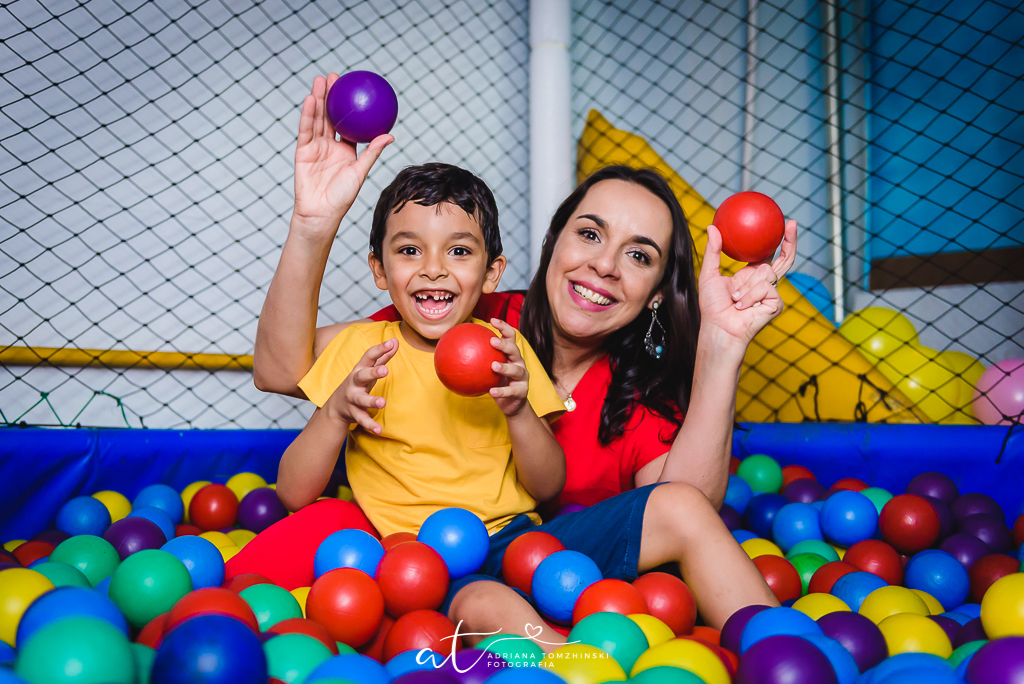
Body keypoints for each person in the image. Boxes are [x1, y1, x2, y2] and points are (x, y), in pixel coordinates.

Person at [240, 74, 798, 637]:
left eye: (638, 255)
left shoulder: (641, 390)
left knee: (665, 518)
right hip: (435, 567)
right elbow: (280, 369)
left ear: (657, 290)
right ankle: (576, 670)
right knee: (485, 605)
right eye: (590, 234)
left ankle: (785, 651)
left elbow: (690, 506)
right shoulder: (462, 313)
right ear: (553, 243)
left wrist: (721, 346)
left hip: (539, 551)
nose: (605, 265)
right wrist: (313, 225)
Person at [276, 160, 567, 540]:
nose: (433, 269)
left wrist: (519, 412)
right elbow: (293, 494)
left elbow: (548, 488)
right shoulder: (363, 352)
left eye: (459, 251)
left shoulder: (505, 349)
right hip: (400, 556)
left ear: (492, 273)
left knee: (491, 599)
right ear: (379, 270)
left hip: (503, 541)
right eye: (410, 250)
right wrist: (334, 413)